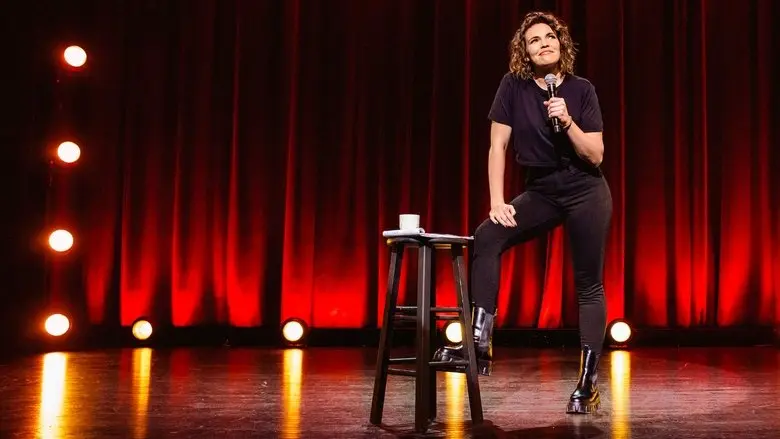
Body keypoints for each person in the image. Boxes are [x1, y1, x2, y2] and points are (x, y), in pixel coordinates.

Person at [433, 11, 612, 415]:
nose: (544, 43)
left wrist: (567, 120)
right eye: (534, 40)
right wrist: (497, 201)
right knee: (487, 235)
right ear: (525, 52)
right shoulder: (512, 87)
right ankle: (480, 341)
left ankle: (587, 383)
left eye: (550, 37)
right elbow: (497, 146)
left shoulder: (581, 90)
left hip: (586, 189)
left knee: (588, 283)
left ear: (561, 43)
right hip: (543, 190)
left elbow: (596, 154)